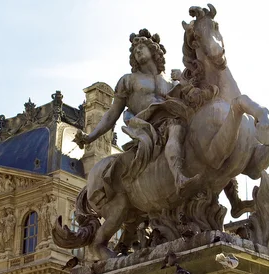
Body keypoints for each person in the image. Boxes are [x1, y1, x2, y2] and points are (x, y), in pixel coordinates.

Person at [74, 28, 200, 196]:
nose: (138, 51)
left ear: (153, 50)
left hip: (172, 117)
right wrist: (90, 137)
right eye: (135, 50)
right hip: (148, 125)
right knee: (174, 128)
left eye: (141, 47)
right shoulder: (129, 80)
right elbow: (112, 114)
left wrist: (183, 81)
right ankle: (179, 178)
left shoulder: (170, 80)